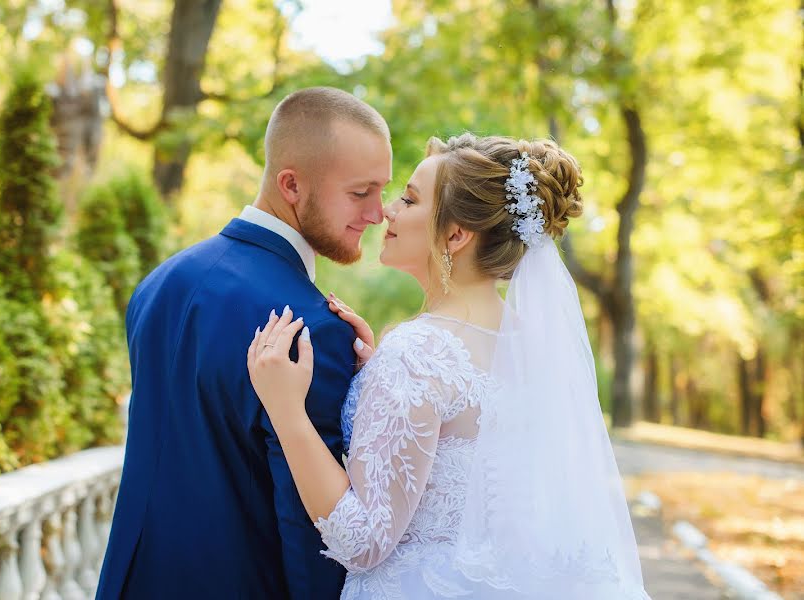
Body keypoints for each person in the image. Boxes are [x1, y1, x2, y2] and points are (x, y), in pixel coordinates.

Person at [248, 133, 652, 599]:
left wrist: (286, 412)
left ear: (456, 234)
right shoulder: (530, 348)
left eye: (410, 199)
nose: (386, 212)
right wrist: (380, 376)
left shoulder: (419, 354)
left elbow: (362, 541)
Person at [96, 86, 392, 599]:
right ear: (291, 184)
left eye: (383, 191)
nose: (379, 213)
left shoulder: (157, 285)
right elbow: (311, 532)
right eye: (360, 192)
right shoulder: (311, 329)